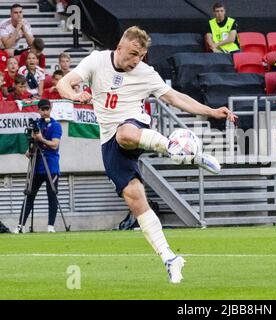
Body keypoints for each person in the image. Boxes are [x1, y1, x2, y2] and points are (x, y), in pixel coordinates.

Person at [56, 26, 237, 284]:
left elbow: (175, 98)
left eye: (141, 56)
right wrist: (75, 95)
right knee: (136, 199)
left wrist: (210, 111)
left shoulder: (145, 73)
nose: (136, 61)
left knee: (126, 133)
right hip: (107, 140)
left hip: (135, 126)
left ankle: (174, 148)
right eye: (132, 54)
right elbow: (63, 83)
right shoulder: (96, 61)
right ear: (119, 48)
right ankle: (170, 258)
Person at [13, 99, 62, 234]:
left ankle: (50, 226)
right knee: (29, 196)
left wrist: (41, 139)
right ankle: (20, 226)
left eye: (47, 109)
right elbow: (32, 147)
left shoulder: (56, 125)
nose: (45, 112)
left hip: (51, 166)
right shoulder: (37, 125)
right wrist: (31, 148)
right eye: (42, 109)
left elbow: (54, 145)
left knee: (52, 196)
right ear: (38, 110)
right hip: (36, 165)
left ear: (50, 108)